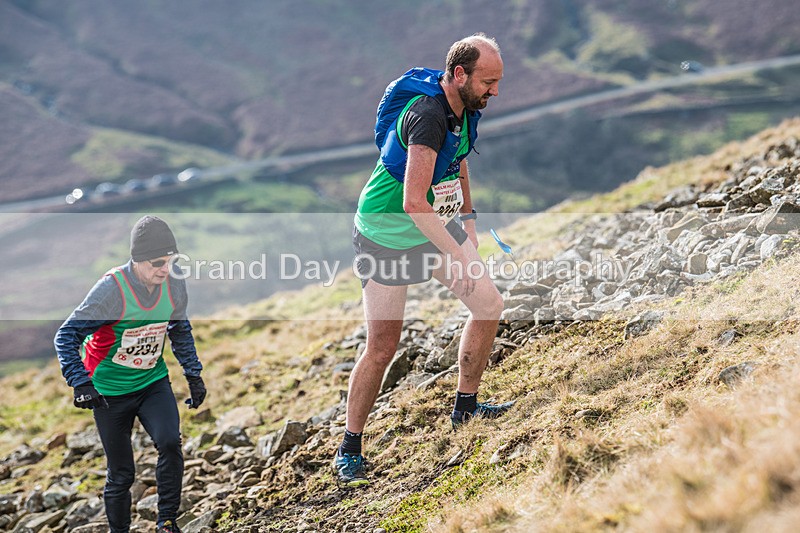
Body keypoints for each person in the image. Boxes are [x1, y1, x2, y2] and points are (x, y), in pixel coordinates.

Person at [335, 34, 512, 488]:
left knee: (489, 306)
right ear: (459, 74)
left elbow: (459, 162)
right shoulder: (427, 117)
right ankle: (349, 446)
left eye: (497, 82)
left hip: (436, 225)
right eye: (489, 82)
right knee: (383, 347)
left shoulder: (466, 108)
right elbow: (414, 201)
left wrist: (468, 222)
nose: (495, 92)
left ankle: (466, 409)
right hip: (387, 237)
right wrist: (461, 254)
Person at [54, 216, 205, 533]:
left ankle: (166, 521)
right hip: (109, 392)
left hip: (152, 384)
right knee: (122, 472)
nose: (165, 269)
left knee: (169, 443)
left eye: (171, 261)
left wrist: (193, 374)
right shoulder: (112, 290)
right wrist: (80, 382)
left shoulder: (173, 281)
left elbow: (179, 328)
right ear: (137, 260)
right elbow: (66, 336)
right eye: (157, 263)